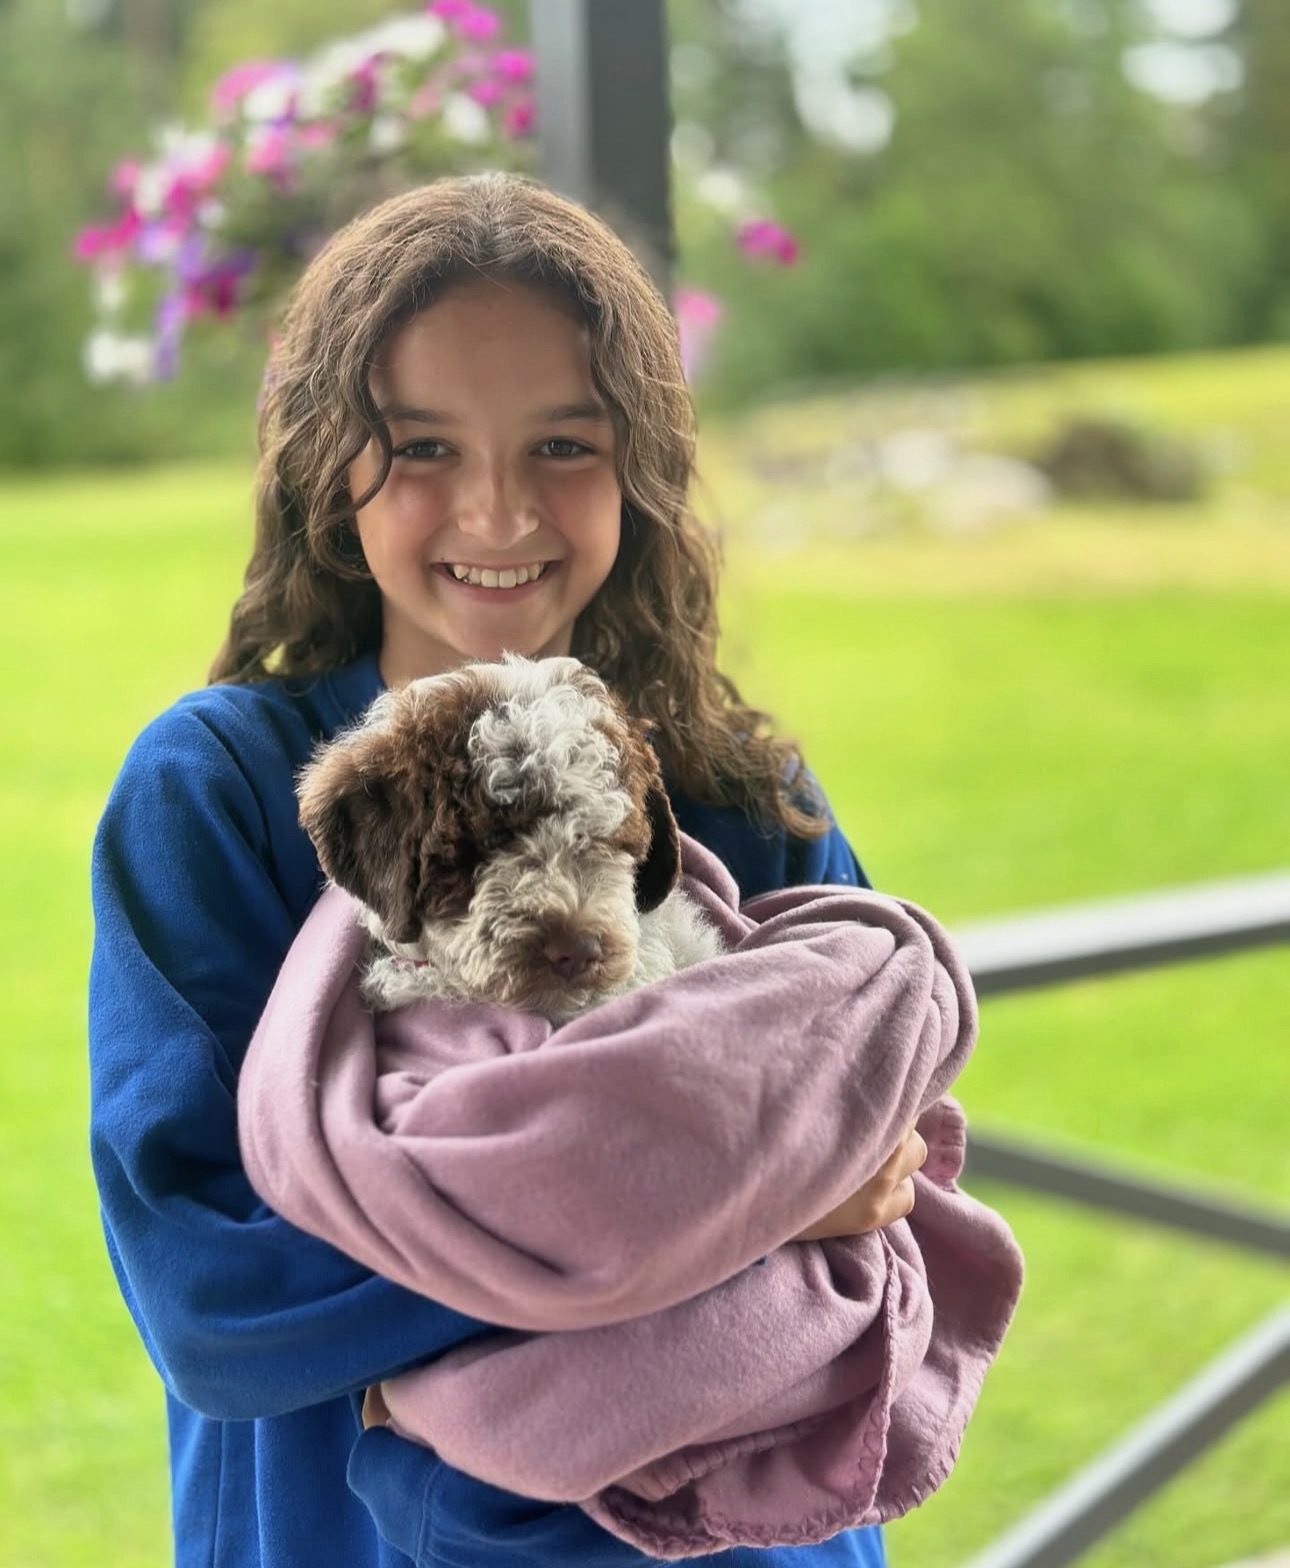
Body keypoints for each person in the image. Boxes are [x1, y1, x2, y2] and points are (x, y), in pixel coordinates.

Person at [89, 173, 929, 1568]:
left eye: (563, 444)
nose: (496, 512)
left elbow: (890, 1176)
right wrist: (726, 1202)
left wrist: (761, 1196)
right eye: (421, 445)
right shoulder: (222, 793)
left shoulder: (733, 795)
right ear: (329, 468)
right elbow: (217, 1304)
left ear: (639, 469)